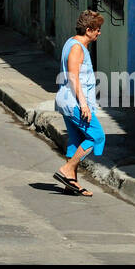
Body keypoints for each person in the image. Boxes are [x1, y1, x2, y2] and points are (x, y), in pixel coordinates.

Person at [52, 10, 105, 197]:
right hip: (73, 102)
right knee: (97, 136)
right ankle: (67, 169)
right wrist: (83, 105)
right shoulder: (76, 48)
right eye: (97, 29)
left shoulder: (73, 43)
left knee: (75, 141)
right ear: (88, 29)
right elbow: (74, 78)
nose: (99, 33)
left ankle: (71, 184)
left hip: (69, 101)